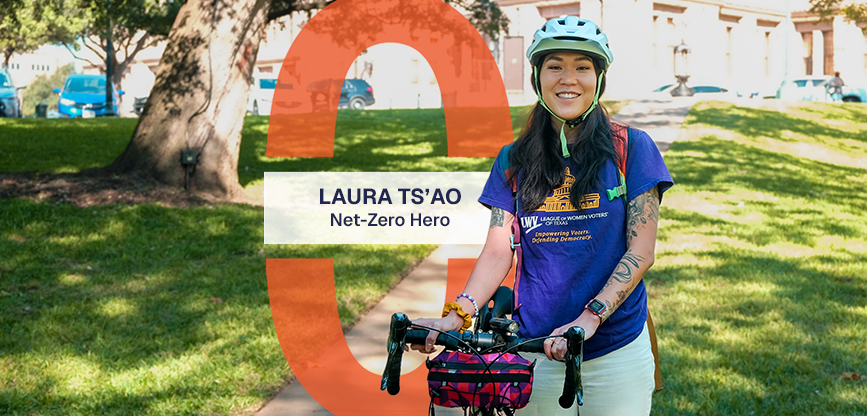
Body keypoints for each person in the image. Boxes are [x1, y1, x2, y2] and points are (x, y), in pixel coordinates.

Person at [409, 16, 673, 415]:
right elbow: (499, 252)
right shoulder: (512, 160)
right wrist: (458, 316)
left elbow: (641, 252)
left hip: (615, 347)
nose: (569, 78)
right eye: (555, 66)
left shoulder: (632, 148)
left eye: (582, 67)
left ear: (599, 77)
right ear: (537, 76)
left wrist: (589, 319)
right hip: (536, 348)